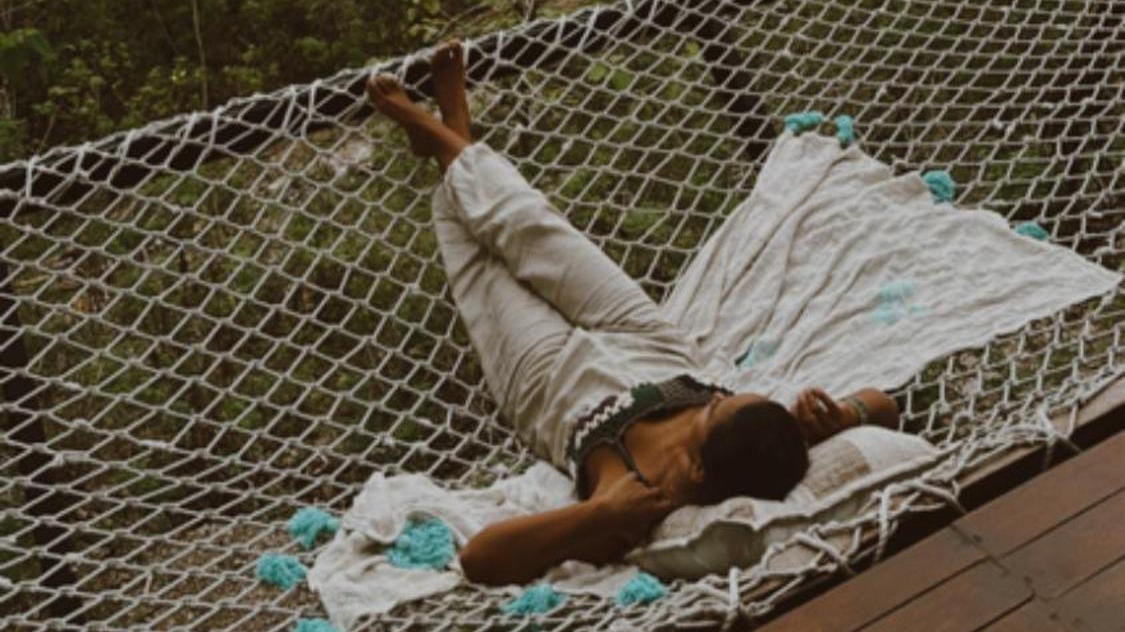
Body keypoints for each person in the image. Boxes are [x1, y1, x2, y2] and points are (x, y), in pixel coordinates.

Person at [367, 43, 899, 587]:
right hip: (651, 345)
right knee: (534, 228)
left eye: (713, 411)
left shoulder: (635, 510)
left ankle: (451, 138)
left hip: (551, 387)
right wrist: (846, 416)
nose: (714, 395)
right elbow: (886, 406)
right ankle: (445, 134)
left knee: (480, 266)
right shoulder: (771, 441)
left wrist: (595, 514)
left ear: (699, 469)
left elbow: (480, 560)